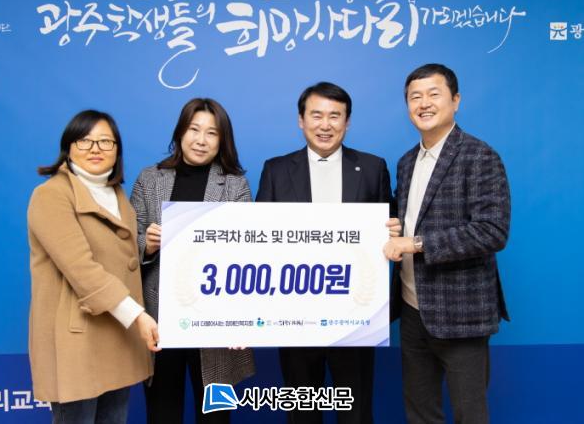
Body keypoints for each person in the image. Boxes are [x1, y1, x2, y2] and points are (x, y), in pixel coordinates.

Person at [256, 81, 391, 424]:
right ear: (301, 120)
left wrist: (394, 233)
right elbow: (258, 240)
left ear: (347, 122)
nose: (325, 125)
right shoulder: (276, 170)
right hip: (294, 314)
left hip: (355, 315)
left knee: (356, 410)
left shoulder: (373, 168)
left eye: (335, 116)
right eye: (316, 115)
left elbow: (388, 235)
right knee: (302, 411)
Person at [384, 63, 511, 424]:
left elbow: (492, 230)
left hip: (461, 312)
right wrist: (392, 227)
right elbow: (409, 220)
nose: (423, 103)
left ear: (456, 101)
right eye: (415, 97)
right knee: (420, 412)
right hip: (412, 309)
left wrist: (415, 243)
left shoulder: (480, 156)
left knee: (470, 414)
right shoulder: (407, 162)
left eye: (433, 94)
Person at [27, 110, 159, 424]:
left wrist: (147, 248)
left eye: (105, 141)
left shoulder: (117, 194)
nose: (96, 149)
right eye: (85, 141)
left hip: (117, 334)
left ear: (117, 149)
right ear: (69, 147)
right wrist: (138, 316)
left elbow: (118, 256)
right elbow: (82, 270)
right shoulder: (51, 195)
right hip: (77, 340)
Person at [130, 98, 255, 424]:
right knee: (162, 413)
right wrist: (147, 245)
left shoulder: (235, 185)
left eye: (211, 133)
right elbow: (126, 244)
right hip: (160, 319)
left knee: (216, 416)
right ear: (180, 133)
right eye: (194, 130)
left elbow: (246, 252)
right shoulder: (150, 179)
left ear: (222, 140)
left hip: (214, 319)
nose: (201, 140)